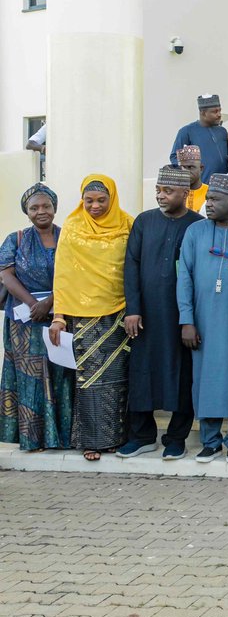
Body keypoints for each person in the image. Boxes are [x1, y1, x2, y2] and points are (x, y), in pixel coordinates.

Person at [119, 165, 204, 460]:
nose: (160, 196)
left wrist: (190, 318)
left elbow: (198, 273)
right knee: (141, 372)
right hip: (145, 317)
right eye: (158, 190)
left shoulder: (197, 225)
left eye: (167, 191)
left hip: (181, 317)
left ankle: (176, 437)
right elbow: (131, 266)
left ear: (185, 192)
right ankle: (142, 435)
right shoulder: (144, 222)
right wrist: (133, 310)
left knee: (181, 374)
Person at [48, 174, 134, 461]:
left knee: (118, 379)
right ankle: (91, 441)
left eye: (101, 200)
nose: (95, 206)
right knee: (89, 381)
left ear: (112, 198)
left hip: (120, 314)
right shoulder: (73, 227)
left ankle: (117, 438)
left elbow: (134, 268)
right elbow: (63, 273)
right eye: (89, 200)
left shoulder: (127, 224)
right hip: (83, 316)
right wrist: (59, 316)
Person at [176, 175, 228, 462]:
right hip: (203, 321)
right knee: (205, 379)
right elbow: (184, 277)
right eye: (207, 199)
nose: (208, 204)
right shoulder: (195, 232)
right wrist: (187, 320)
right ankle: (210, 441)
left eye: (214, 199)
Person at [0, 184, 70, 450]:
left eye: (46, 206)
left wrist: (50, 303)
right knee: (29, 377)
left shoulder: (68, 237)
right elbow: (6, 275)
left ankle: (59, 437)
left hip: (60, 315)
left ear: (54, 207)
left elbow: (73, 273)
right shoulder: (15, 239)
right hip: (23, 323)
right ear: (26, 212)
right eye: (34, 208)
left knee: (60, 374)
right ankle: (32, 438)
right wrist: (34, 304)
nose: (41, 212)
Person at [171, 94, 228, 182]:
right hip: (201, 186)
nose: (219, 115)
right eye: (215, 112)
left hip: (223, 186)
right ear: (203, 113)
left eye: (219, 111)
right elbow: (174, 157)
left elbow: (227, 156)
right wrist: (191, 171)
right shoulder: (187, 131)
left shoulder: (222, 131)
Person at [175, 145, 208, 214]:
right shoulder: (174, 194)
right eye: (182, 167)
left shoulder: (210, 193)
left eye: (190, 167)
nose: (185, 172)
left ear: (201, 168)